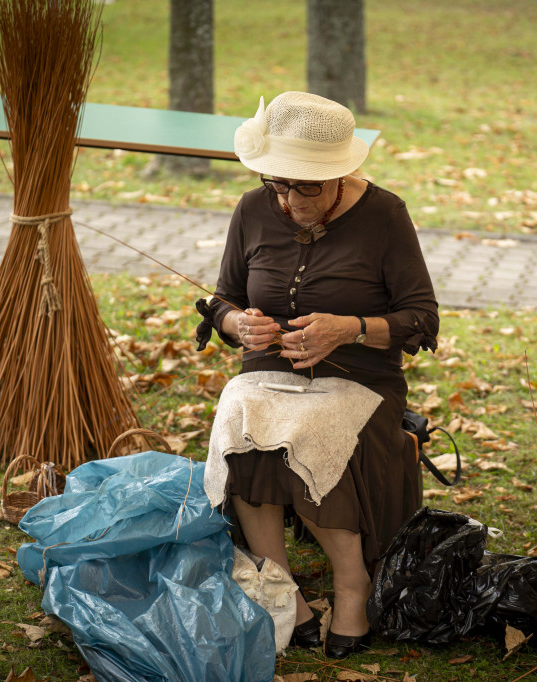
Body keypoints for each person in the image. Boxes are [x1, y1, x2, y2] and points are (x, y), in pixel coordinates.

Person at [195, 91, 439, 659]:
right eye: (278, 184)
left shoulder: (385, 215)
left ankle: (352, 585)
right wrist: (237, 325)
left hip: (360, 379)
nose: (288, 201)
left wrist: (349, 327)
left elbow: (421, 319)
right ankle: (280, 585)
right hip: (267, 372)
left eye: (306, 187)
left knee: (313, 426)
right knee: (241, 418)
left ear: (341, 174)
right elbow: (222, 297)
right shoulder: (254, 208)